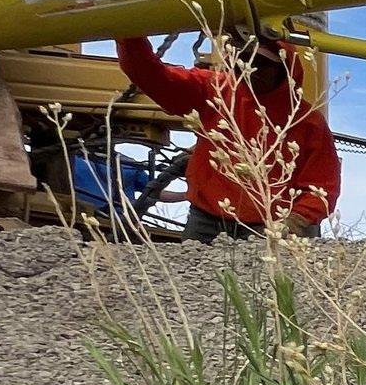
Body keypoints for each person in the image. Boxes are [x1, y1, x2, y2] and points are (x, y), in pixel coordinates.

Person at [114, 31, 341, 239]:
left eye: (261, 63)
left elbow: (320, 187)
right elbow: (151, 75)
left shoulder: (307, 122)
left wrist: (295, 221)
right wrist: (128, 35)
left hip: (272, 227)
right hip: (208, 221)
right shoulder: (215, 90)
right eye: (245, 61)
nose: (251, 69)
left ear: (284, 68)